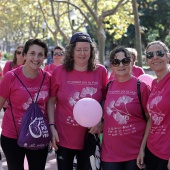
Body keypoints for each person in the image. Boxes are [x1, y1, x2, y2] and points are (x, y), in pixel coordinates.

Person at [47, 32, 108, 170]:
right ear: (71, 51)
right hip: (63, 136)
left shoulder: (101, 71)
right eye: (78, 49)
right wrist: (51, 126)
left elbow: (105, 99)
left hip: (89, 137)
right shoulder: (59, 72)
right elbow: (51, 100)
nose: (82, 53)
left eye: (86, 49)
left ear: (91, 50)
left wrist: (101, 120)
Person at [0, 38, 51, 170]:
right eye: (32, 53)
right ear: (24, 55)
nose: (36, 58)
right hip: (12, 136)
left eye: (40, 54)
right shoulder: (11, 77)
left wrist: (52, 129)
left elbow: (51, 106)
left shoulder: (48, 79)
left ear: (45, 57)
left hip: (38, 135)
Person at [101, 46, 150, 170]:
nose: (121, 65)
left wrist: (143, 148)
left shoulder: (141, 87)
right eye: (116, 62)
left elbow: (150, 119)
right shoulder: (108, 87)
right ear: (111, 66)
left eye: (125, 61)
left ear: (132, 63)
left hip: (135, 154)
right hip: (110, 155)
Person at [137, 41, 170, 170]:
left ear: (168, 57)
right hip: (152, 148)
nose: (155, 57)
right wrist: (142, 148)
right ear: (147, 61)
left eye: (159, 53)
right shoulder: (154, 84)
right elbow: (152, 118)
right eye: (150, 55)